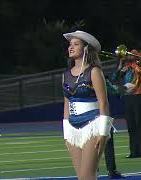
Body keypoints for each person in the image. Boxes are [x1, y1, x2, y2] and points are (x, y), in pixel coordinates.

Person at [62, 31, 113, 179]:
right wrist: (66, 134)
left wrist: (103, 133)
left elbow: (104, 103)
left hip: (93, 126)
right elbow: (66, 104)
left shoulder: (94, 72)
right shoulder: (65, 75)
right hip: (72, 129)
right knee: (81, 177)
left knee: (88, 176)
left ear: (86, 48)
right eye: (70, 44)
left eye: (76, 44)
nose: (71, 47)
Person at [110, 49, 141, 158]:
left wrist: (134, 64)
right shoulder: (126, 67)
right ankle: (134, 152)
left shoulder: (137, 66)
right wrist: (120, 64)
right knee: (131, 126)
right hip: (128, 97)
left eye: (133, 55)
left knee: (139, 124)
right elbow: (114, 78)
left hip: (138, 96)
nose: (129, 57)